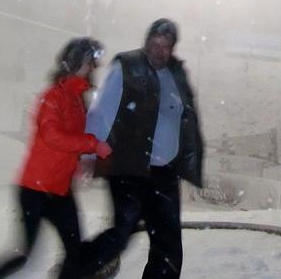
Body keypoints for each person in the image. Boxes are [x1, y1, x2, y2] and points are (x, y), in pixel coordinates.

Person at [58, 18, 203, 279]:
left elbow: (187, 117)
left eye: (166, 46)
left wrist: (189, 158)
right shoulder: (127, 66)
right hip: (129, 168)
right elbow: (101, 112)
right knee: (121, 235)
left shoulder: (176, 74)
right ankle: (73, 272)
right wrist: (90, 154)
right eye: (155, 44)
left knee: (168, 246)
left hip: (165, 174)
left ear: (172, 48)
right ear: (146, 42)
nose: (159, 51)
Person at [0, 36, 113, 279]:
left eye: (94, 63)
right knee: (24, 255)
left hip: (60, 191)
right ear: (75, 63)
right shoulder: (52, 97)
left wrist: (83, 161)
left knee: (75, 253)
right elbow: (52, 136)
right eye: (90, 62)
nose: (93, 68)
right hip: (35, 190)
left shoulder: (78, 99)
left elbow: (71, 141)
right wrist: (92, 144)